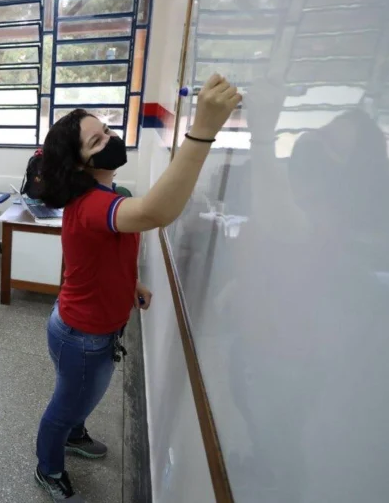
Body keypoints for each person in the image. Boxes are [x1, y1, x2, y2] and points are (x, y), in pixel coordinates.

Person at [32, 74, 241, 501]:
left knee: (75, 397)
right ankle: (48, 467)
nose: (109, 138)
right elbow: (155, 212)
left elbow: (96, 259)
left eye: (106, 130)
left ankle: (74, 433)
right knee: (66, 404)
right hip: (83, 336)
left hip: (77, 325)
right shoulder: (95, 205)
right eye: (96, 141)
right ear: (79, 165)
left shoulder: (106, 195)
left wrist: (131, 283)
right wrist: (202, 131)